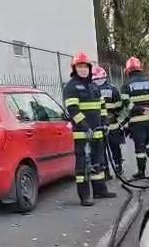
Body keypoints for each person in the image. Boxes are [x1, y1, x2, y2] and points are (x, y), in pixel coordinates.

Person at [63, 52, 116, 206]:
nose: (83, 69)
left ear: (89, 68)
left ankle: (100, 191)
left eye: (85, 66)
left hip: (98, 130)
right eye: (80, 66)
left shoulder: (93, 85)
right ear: (75, 68)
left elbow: (102, 106)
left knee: (97, 162)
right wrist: (85, 126)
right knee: (83, 166)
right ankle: (85, 196)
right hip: (82, 134)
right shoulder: (71, 87)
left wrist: (105, 121)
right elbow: (73, 109)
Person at [120, 56, 149, 178]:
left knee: (139, 147)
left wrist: (139, 110)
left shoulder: (126, 85)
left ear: (128, 70)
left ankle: (141, 172)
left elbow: (127, 103)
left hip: (136, 120)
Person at [93, 65, 124, 173]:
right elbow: (119, 105)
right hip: (112, 124)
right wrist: (114, 114)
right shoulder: (113, 88)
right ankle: (118, 166)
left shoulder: (91, 90)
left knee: (102, 150)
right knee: (115, 147)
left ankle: (106, 171)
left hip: (98, 124)